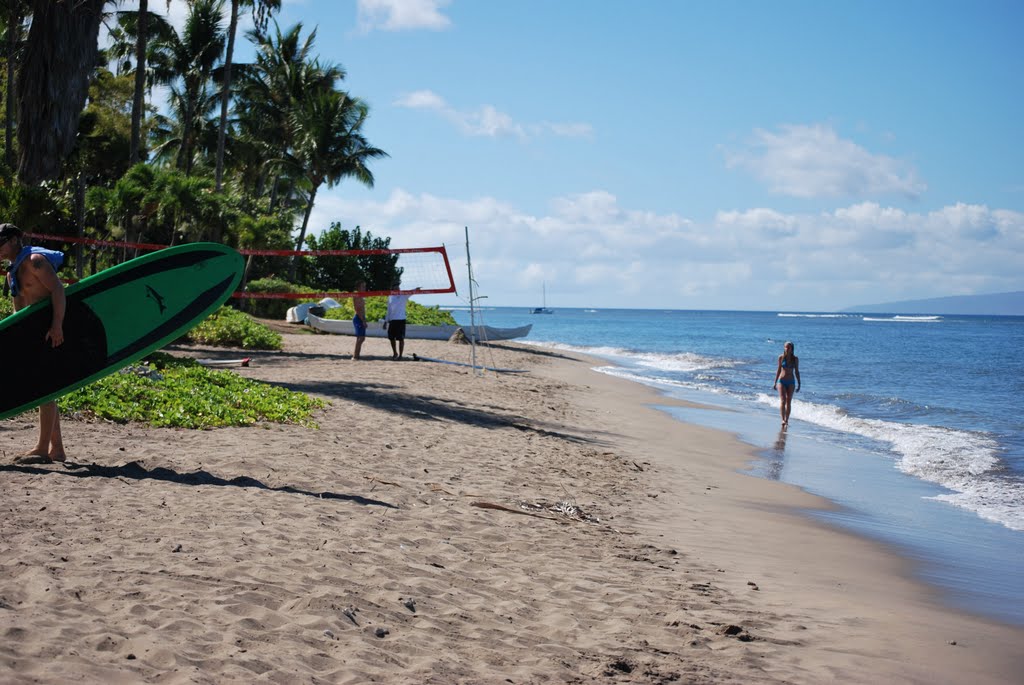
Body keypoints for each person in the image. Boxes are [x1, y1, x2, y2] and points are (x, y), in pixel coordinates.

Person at [0, 223, 68, 463]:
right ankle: (57, 449)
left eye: (2, 242)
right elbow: (18, 311)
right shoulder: (12, 273)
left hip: (49, 332)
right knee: (45, 387)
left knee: (43, 388)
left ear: (15, 240)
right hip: (33, 335)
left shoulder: (36, 261)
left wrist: (57, 325)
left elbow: (58, 291)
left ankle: (42, 448)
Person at [384, 283, 420, 360]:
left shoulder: (403, 295)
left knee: (401, 339)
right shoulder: (390, 297)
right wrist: (385, 321)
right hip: (392, 320)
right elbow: (388, 310)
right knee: (391, 338)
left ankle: (400, 355)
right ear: (393, 290)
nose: (398, 290)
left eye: (399, 288)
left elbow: (411, 292)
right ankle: (395, 353)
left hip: (401, 320)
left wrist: (416, 289)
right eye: (396, 288)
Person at [772, 341, 801, 427]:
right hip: (781, 381)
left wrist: (799, 383)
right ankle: (783, 419)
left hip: (791, 382)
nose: (787, 349)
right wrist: (775, 382)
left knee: (788, 402)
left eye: (788, 347)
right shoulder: (781, 357)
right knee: (783, 400)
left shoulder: (795, 359)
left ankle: (787, 420)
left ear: (792, 349)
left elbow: (797, 371)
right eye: (785, 347)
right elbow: (778, 370)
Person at [351, 280, 367, 360]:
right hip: (358, 317)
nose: (364, 288)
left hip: (361, 317)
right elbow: (358, 309)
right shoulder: (357, 295)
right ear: (358, 288)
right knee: (361, 338)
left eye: (365, 286)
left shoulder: (361, 295)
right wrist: (363, 320)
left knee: (360, 338)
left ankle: (356, 355)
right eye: (363, 286)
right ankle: (355, 356)